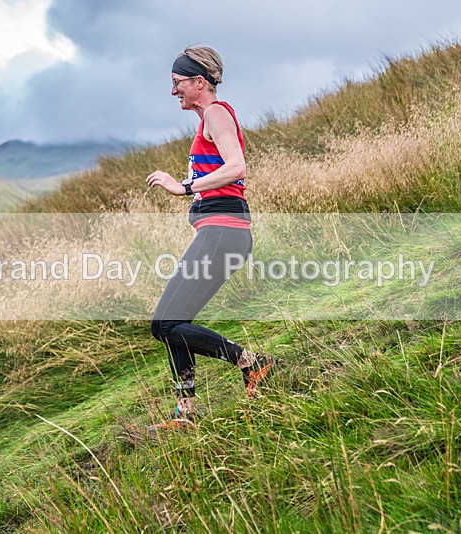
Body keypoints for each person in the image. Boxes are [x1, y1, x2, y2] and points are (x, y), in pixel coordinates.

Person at [145, 46, 274, 433]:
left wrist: (184, 188)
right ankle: (186, 415)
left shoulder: (217, 113)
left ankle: (250, 362)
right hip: (222, 233)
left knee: (163, 324)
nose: (173, 92)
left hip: (224, 232)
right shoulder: (208, 120)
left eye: (177, 83)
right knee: (173, 324)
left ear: (200, 82)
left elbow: (237, 167)